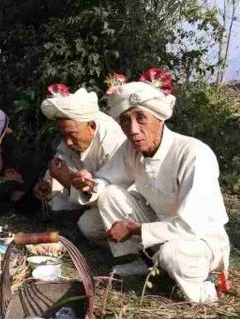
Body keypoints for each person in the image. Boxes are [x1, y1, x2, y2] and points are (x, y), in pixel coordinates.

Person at [73, 68, 230, 304]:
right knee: (110, 195)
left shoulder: (193, 153)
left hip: (199, 240)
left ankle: (203, 290)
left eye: (141, 118)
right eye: (125, 121)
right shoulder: (131, 148)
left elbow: (190, 226)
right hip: (161, 229)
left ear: (160, 117)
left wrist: (135, 229)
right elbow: (107, 180)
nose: (133, 130)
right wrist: (89, 183)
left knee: (173, 253)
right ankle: (144, 262)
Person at [34, 85, 126, 241]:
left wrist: (68, 181)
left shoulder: (113, 140)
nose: (68, 142)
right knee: (56, 192)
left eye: (72, 135)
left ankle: (126, 251)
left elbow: (113, 193)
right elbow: (61, 162)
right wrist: (48, 183)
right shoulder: (69, 140)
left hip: (119, 203)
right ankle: (69, 224)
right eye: (63, 136)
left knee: (89, 225)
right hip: (86, 192)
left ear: (91, 126)